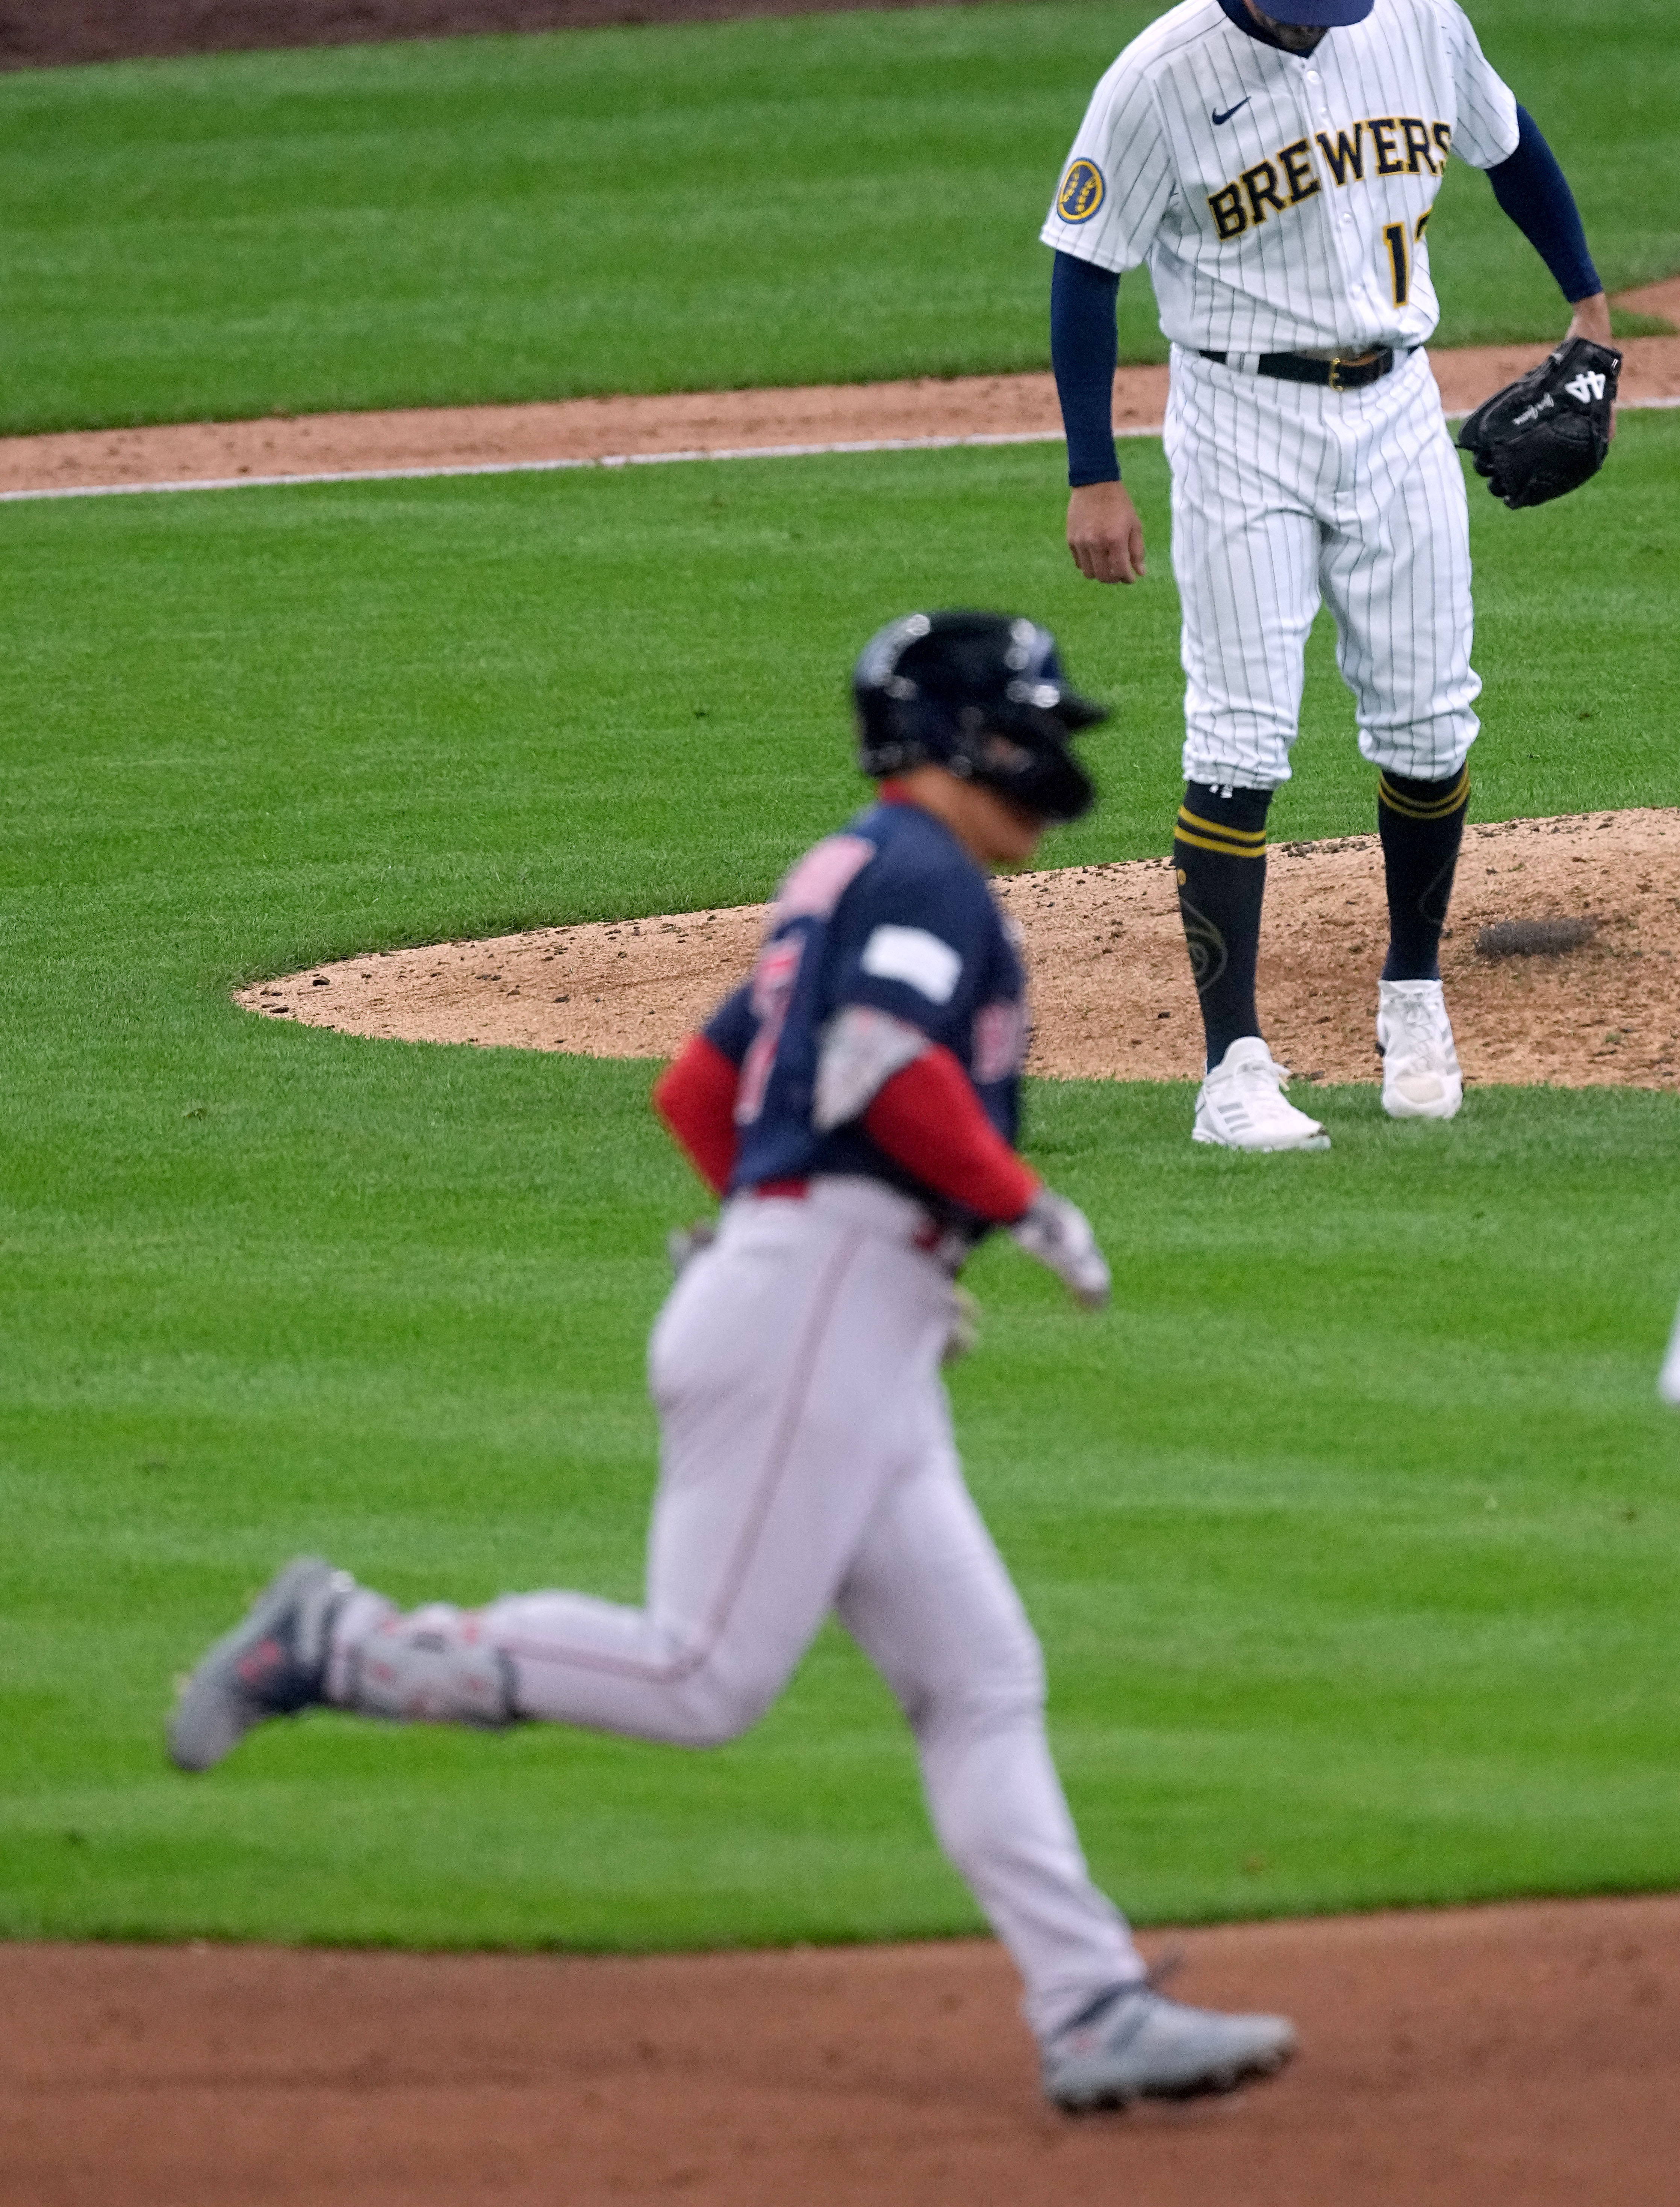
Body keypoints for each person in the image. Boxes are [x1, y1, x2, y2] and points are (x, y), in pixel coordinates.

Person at [168, 610, 1295, 2112]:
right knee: (702, 1674)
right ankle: (344, 1643)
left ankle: (1087, 2004)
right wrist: (998, 1208)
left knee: (976, 1675)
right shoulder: (916, 875)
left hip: (829, 1305)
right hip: (816, 1303)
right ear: (955, 741)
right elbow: (878, 1063)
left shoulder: (845, 871)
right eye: (1024, 729)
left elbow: (704, 1088)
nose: (1043, 761)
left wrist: (818, 1245)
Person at [1042, 0, 1614, 1151]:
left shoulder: (1416, 22)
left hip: (1398, 406)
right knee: (1239, 741)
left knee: (1426, 724)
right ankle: (1231, 1065)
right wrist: (1093, 468)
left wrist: (1586, 299)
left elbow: (1511, 149)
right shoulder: (1157, 78)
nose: (1313, 16)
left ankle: (1414, 989)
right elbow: (1085, 270)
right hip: (1242, 421)